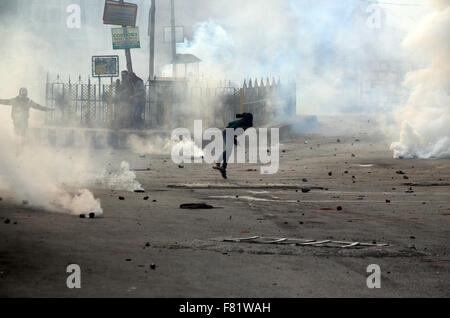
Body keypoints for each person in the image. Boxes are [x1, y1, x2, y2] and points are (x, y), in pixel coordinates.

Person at [213, 113, 253, 179]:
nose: (247, 128)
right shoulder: (240, 124)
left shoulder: (244, 124)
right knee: (229, 149)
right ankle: (217, 163)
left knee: (229, 151)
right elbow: (230, 130)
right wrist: (233, 139)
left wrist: (234, 140)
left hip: (229, 133)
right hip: (226, 132)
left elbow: (233, 129)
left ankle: (223, 168)